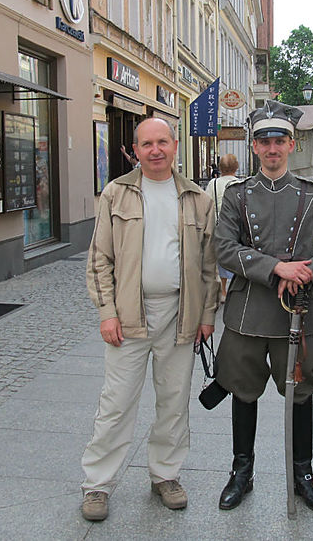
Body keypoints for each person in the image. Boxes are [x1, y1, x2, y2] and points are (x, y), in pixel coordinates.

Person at [213, 100, 313, 514]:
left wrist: (311, 270)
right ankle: (242, 472)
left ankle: (303, 475)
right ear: (253, 147)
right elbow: (224, 247)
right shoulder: (237, 196)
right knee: (243, 393)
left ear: (291, 144)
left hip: (297, 313)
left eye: (279, 141)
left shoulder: (312, 195)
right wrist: (277, 267)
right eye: (263, 141)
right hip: (246, 315)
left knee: (301, 394)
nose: (271, 148)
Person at [82, 117, 219, 521]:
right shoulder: (116, 194)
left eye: (162, 142)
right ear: (135, 150)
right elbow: (99, 259)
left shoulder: (198, 198)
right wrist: (107, 313)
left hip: (180, 315)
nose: (155, 150)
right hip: (128, 316)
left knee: (174, 402)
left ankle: (165, 475)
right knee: (116, 403)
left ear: (175, 146)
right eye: (147, 144)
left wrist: (207, 315)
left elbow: (209, 267)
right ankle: (97, 485)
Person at [205, 153, 240, 302]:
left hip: (216, 225)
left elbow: (206, 204)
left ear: (220, 168)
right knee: (235, 256)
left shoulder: (213, 183)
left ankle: (223, 291)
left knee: (218, 258)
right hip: (235, 227)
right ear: (236, 167)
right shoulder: (239, 184)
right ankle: (236, 289)